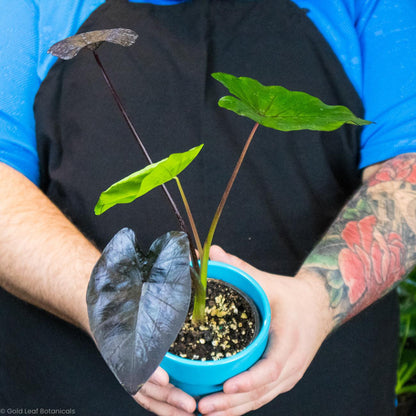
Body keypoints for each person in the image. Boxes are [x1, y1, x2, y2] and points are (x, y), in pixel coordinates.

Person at [1, 0, 416, 415]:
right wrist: (109, 302)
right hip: (72, 386)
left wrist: (318, 300)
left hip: (322, 384)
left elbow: (407, 167)